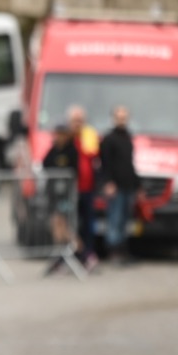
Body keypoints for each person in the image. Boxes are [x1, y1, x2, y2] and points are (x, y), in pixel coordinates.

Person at [100, 105, 141, 264]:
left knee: (125, 219)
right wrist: (108, 183)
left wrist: (137, 185)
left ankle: (123, 251)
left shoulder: (128, 138)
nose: (122, 120)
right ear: (113, 119)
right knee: (114, 219)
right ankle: (113, 251)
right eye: (119, 117)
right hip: (115, 187)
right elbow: (105, 164)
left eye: (124, 117)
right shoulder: (109, 139)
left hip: (128, 185)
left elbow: (130, 164)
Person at [42, 124, 80, 275]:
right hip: (53, 193)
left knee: (63, 224)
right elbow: (45, 164)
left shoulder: (71, 151)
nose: (58, 137)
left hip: (66, 194)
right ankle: (60, 255)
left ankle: (82, 252)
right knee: (55, 224)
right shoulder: (53, 150)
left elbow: (73, 171)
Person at [67, 105, 100, 269]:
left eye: (80, 120)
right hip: (68, 189)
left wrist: (78, 138)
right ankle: (72, 253)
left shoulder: (89, 134)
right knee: (70, 223)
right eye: (75, 120)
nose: (77, 123)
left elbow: (91, 153)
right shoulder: (64, 135)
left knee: (87, 222)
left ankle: (88, 253)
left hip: (86, 187)